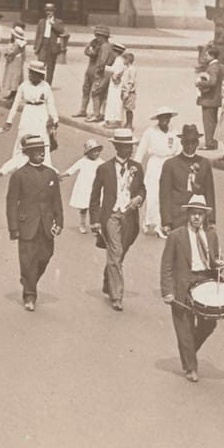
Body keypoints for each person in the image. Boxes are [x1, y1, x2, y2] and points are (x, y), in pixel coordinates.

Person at [160, 195, 224, 383]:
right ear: (188, 214)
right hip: (183, 283)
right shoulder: (176, 236)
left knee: (209, 323)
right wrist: (167, 291)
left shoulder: (211, 236)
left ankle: (187, 350)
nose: (196, 217)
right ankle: (190, 367)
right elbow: (166, 266)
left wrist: (219, 265)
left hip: (205, 281)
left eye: (200, 214)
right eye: (193, 213)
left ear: (205, 216)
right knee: (184, 326)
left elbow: (213, 261)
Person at [5, 134, 64, 311]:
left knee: (45, 256)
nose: (41, 154)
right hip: (27, 225)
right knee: (28, 259)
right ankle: (30, 295)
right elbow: (11, 203)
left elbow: (57, 201)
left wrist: (59, 222)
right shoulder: (19, 175)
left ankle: (28, 279)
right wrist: (13, 227)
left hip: (46, 225)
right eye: (37, 152)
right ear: (28, 153)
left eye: (42, 151)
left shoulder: (51, 173)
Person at [89, 129, 145, 312]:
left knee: (119, 255)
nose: (129, 150)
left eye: (131, 147)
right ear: (117, 147)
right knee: (116, 250)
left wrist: (139, 198)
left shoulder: (137, 167)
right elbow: (95, 196)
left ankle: (109, 280)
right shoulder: (104, 169)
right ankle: (117, 296)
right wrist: (96, 220)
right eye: (125, 147)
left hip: (129, 217)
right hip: (111, 216)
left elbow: (142, 190)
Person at [157, 124, 217, 238]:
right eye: (187, 142)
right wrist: (166, 222)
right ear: (181, 142)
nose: (190, 146)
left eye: (193, 142)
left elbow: (210, 193)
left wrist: (211, 220)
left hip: (198, 217)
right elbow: (165, 195)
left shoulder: (204, 164)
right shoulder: (170, 164)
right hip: (177, 218)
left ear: (197, 143)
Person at [135, 108, 181, 235]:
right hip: (155, 164)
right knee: (153, 193)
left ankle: (163, 224)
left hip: (169, 164)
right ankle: (150, 222)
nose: (165, 120)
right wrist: (135, 166)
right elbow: (141, 150)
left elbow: (179, 151)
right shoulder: (150, 132)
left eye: (167, 117)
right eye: (162, 118)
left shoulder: (174, 132)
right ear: (158, 119)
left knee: (167, 194)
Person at [4, 61, 58, 166]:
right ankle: (19, 164)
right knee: (23, 137)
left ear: (40, 75)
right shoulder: (23, 86)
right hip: (28, 113)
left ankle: (45, 165)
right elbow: (15, 104)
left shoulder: (45, 86)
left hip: (41, 113)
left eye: (33, 73)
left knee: (41, 138)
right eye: (30, 72)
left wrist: (55, 119)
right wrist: (9, 120)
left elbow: (51, 104)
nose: (30, 75)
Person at [58, 138, 103, 233]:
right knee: (84, 207)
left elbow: (108, 172)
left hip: (96, 187)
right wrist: (61, 175)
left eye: (97, 151)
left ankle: (95, 225)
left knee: (95, 207)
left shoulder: (101, 162)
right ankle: (82, 224)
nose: (96, 153)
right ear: (88, 153)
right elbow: (72, 170)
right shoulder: (83, 161)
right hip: (84, 186)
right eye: (93, 151)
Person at [195, 47, 224, 150]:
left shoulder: (213, 67)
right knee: (211, 121)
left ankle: (210, 143)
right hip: (212, 99)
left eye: (207, 55)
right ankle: (211, 142)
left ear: (212, 56)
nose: (205, 57)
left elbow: (212, 82)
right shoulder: (216, 66)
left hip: (210, 99)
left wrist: (199, 82)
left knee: (209, 122)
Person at [33, 3, 65, 84]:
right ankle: (40, 82)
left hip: (52, 46)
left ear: (53, 12)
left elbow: (61, 31)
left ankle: (48, 84)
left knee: (50, 67)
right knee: (40, 64)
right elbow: (38, 34)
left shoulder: (58, 21)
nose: (48, 12)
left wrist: (52, 24)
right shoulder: (42, 21)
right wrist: (36, 46)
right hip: (43, 44)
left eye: (50, 11)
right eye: (47, 11)